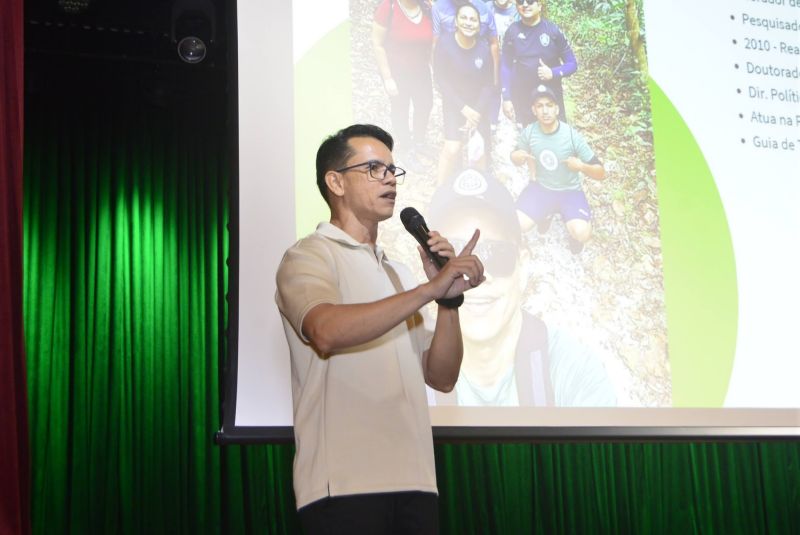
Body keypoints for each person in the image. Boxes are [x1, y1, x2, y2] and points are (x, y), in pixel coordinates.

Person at [275, 124, 485, 534]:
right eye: (373, 168)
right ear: (335, 181)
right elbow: (325, 330)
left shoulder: (401, 274)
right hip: (344, 487)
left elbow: (441, 377)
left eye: (392, 169)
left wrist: (447, 300)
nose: (389, 177)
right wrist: (428, 290)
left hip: (417, 482)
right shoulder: (309, 256)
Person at [427, 168, 617, 406]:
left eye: (496, 255)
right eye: (451, 258)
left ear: (523, 265)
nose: (474, 277)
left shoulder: (574, 371)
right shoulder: (405, 372)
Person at [511, 85, 605, 253]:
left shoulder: (571, 136)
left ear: (557, 108)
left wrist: (581, 166)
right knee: (516, 224)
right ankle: (546, 213)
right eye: (540, 106)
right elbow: (516, 155)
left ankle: (572, 229)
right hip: (541, 188)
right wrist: (516, 158)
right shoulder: (530, 132)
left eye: (549, 105)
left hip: (570, 191)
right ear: (534, 110)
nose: (545, 111)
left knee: (582, 233)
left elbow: (600, 172)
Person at [433, 3, 496, 184]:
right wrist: (463, 109)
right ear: (456, 22)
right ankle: (440, 192)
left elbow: (488, 85)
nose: (468, 23)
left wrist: (475, 112)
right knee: (452, 149)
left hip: (478, 107)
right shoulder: (444, 44)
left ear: (479, 25)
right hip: (454, 104)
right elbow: (441, 79)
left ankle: (479, 192)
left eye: (473, 19)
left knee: (480, 151)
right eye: (464, 18)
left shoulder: (484, 49)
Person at [372, 0, 434, 160]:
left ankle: (419, 141)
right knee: (401, 109)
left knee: (425, 105)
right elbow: (378, 44)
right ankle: (407, 148)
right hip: (397, 72)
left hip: (421, 70)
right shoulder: (388, 7)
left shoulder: (426, 8)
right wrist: (387, 78)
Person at [501, 0, 577, 125]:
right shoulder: (512, 31)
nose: (525, 5)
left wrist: (553, 73)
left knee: (555, 137)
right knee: (529, 138)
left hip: (551, 97)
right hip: (523, 98)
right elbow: (505, 66)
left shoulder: (553, 31)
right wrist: (506, 97)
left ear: (540, 6)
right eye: (520, 2)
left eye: (530, 1)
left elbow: (572, 64)